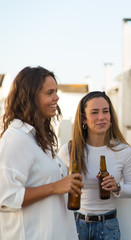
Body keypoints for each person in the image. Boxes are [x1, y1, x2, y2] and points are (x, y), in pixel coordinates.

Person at [0, 66, 82, 239]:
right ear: (30, 97)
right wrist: (55, 187)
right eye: (50, 92)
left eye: (56, 91)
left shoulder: (40, 138)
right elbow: (5, 199)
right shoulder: (15, 140)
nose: (57, 97)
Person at [58, 91, 131, 240]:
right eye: (94, 112)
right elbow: (56, 188)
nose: (101, 117)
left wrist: (117, 187)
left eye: (105, 111)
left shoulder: (123, 150)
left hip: (108, 227)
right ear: (83, 119)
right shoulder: (68, 150)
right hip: (76, 225)